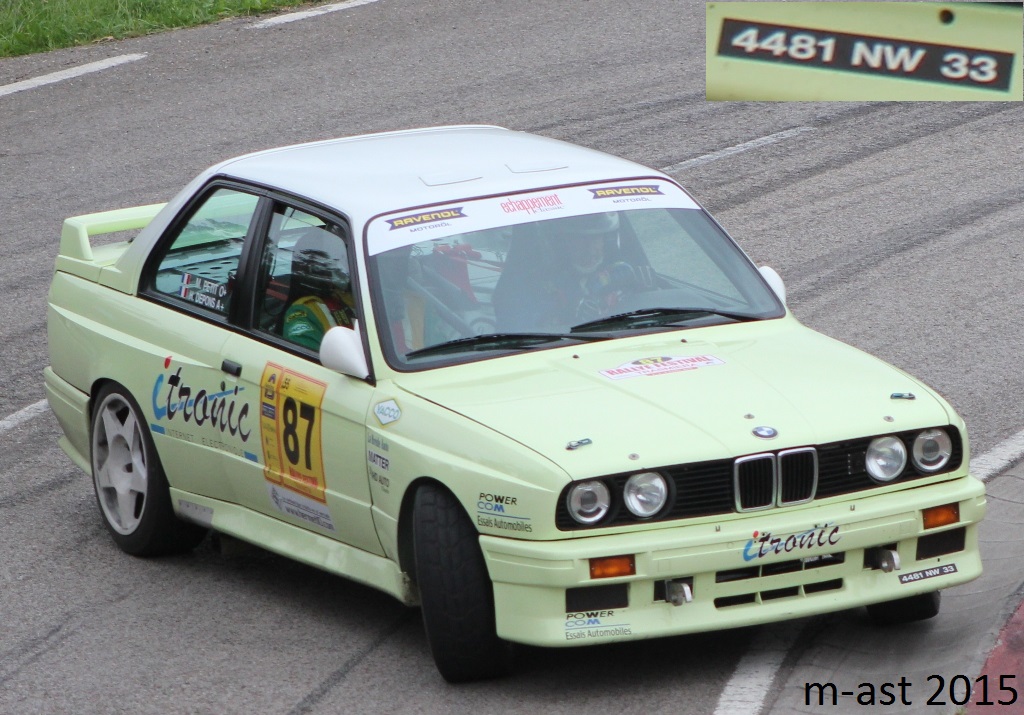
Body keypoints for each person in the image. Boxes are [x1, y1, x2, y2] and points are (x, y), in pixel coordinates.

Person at [282, 230, 355, 350]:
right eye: (335, 260)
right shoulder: (304, 312)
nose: (342, 267)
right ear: (314, 269)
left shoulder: (357, 297)